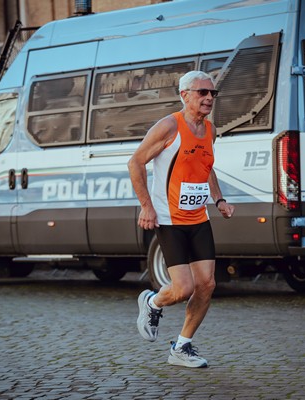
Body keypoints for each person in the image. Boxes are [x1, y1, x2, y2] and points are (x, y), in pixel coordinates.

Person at [127, 70, 235, 368]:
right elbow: (135, 162)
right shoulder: (168, 127)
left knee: (208, 284)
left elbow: (206, 166)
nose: (209, 98)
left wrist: (219, 199)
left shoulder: (210, 130)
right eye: (203, 93)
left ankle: (182, 346)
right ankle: (152, 302)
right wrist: (146, 206)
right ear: (184, 94)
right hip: (169, 219)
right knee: (182, 288)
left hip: (198, 218)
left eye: (213, 93)